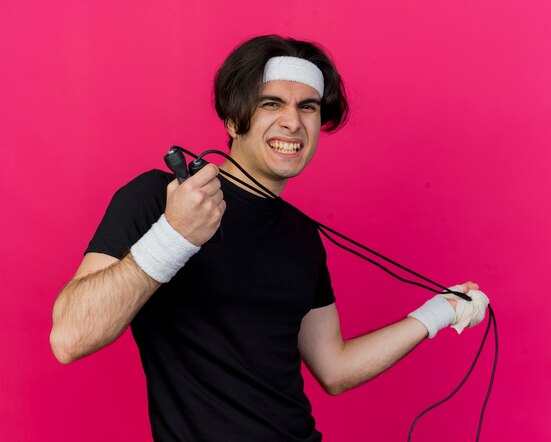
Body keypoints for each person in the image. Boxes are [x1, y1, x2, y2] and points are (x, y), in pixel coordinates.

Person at [50, 35, 489, 441]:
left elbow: (334, 367)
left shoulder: (302, 236)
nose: (292, 123)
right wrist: (175, 235)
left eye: (308, 107)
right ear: (231, 116)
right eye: (271, 103)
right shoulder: (160, 197)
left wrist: (438, 312)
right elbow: (70, 337)